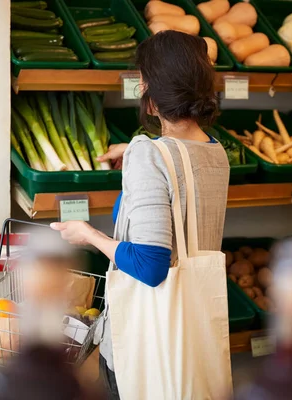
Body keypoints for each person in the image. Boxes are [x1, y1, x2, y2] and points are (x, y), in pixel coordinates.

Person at [51, 30, 231, 399]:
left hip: (147, 340)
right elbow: (180, 179)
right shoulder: (217, 153)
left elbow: (151, 265)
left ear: (150, 91)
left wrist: (89, 235)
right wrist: (135, 169)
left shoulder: (147, 154)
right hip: (191, 332)